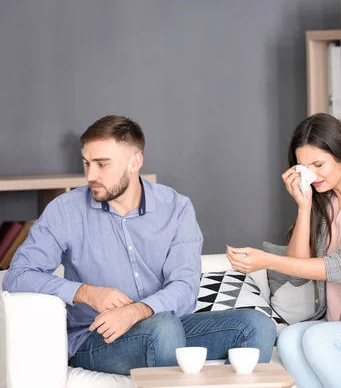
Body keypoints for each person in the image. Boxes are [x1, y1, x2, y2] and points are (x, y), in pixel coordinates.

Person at [2, 116, 276, 375]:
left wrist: (135, 311)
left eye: (102, 164)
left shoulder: (176, 208)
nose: (90, 175)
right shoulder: (65, 210)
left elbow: (185, 287)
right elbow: (17, 276)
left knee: (257, 326)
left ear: (135, 162)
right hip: (97, 337)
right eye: (86, 163)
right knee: (164, 327)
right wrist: (85, 292)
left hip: (165, 327)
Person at [226, 113, 341, 388]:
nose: (312, 174)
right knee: (289, 339)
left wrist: (267, 261)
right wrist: (304, 206)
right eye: (303, 167)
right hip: (339, 327)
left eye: (319, 164)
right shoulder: (323, 202)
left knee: (317, 337)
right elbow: (299, 275)